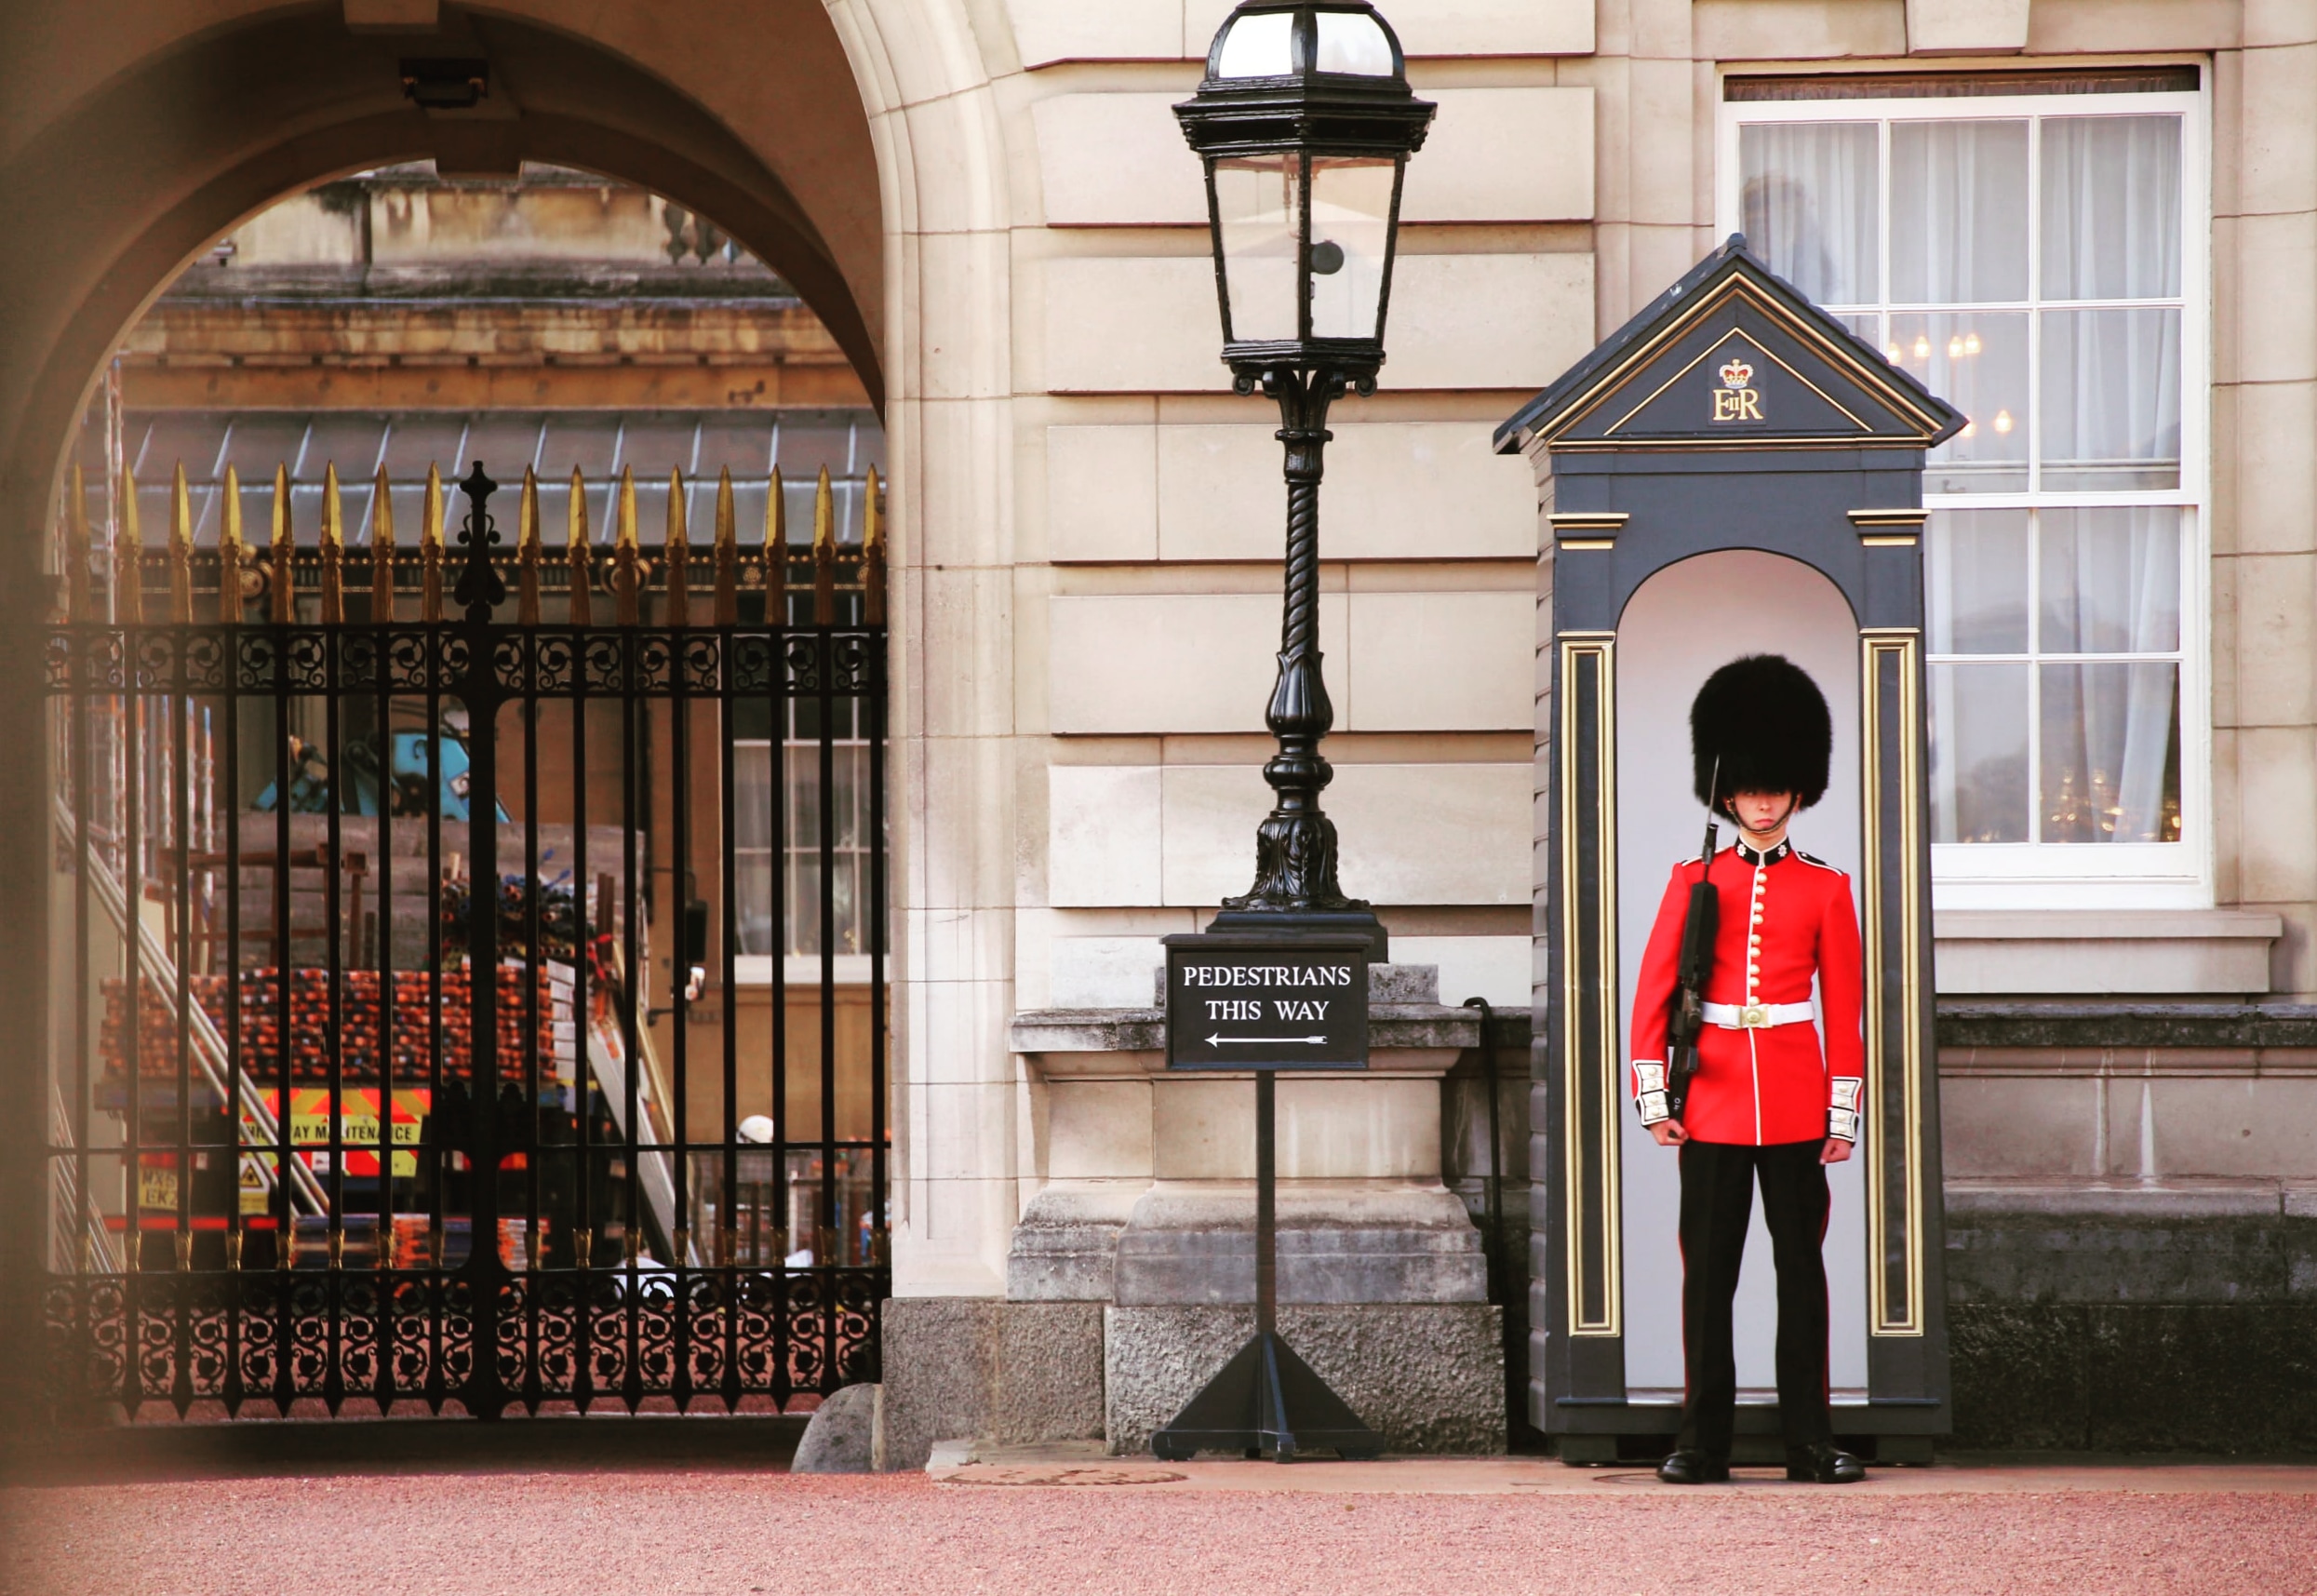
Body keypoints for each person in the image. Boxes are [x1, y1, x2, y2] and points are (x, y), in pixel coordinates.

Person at [1628, 653, 1867, 1486]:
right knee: (1710, 1282)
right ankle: (1702, 1442)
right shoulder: (1693, 879)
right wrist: (1655, 1097)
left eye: (1777, 785)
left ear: (1799, 788)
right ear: (1726, 790)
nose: (1764, 800)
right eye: (1751, 786)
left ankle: (1810, 1441)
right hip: (1715, 1100)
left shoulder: (1828, 889)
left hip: (1798, 1100)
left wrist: (1843, 1115)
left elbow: (1845, 1009)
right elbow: (1652, 997)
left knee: (1802, 1279)